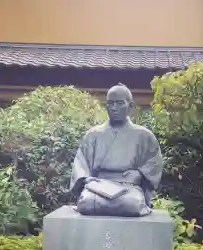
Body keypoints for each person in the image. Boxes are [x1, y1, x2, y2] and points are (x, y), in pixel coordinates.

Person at [69, 83, 162, 217]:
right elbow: (81, 162)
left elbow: (154, 162)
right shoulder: (93, 134)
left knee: (132, 204)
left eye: (119, 103)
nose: (114, 108)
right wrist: (87, 179)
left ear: (130, 106)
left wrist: (140, 174)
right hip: (98, 186)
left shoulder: (144, 136)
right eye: (110, 103)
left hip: (128, 187)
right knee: (86, 204)